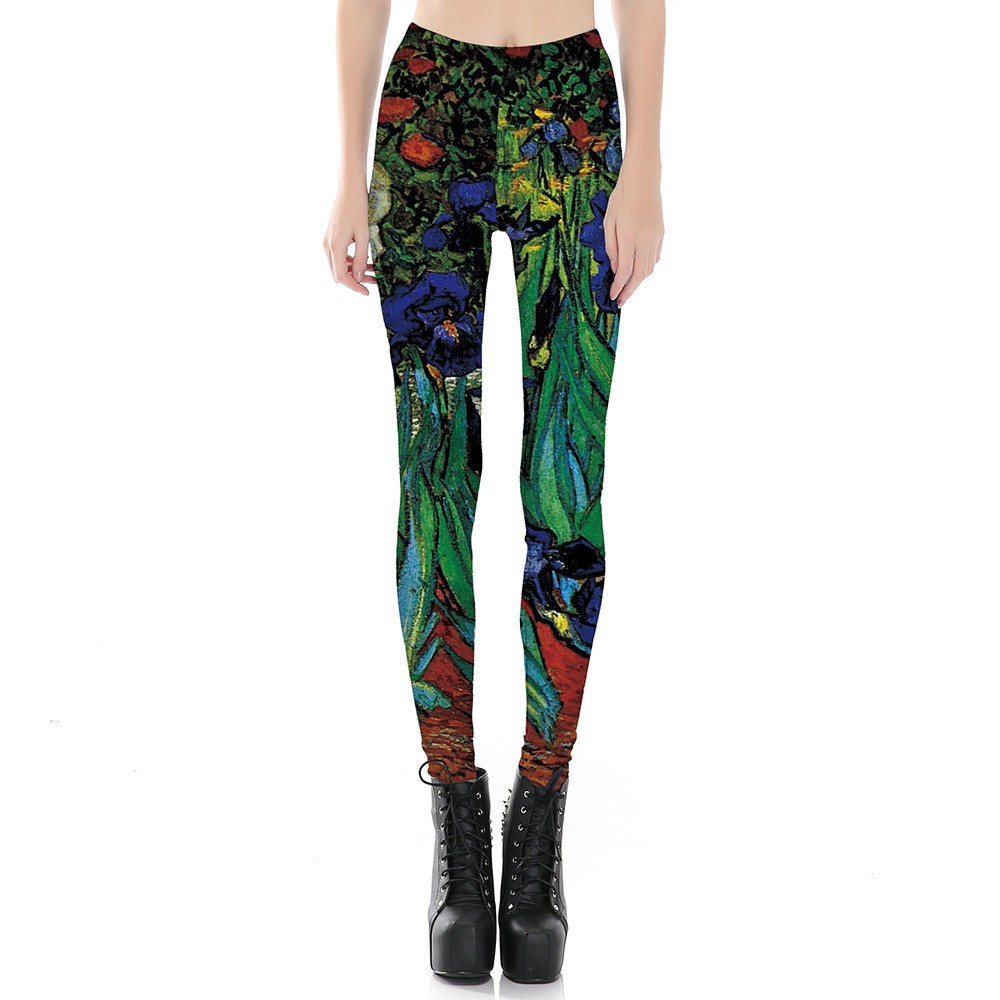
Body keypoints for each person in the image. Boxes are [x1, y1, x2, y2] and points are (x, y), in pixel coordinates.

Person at [322, 0, 664, 982]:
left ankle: (539, 824)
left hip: (574, 110)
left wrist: (644, 167)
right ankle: (459, 830)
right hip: (434, 101)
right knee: (434, 480)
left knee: (566, 487)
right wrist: (346, 176)